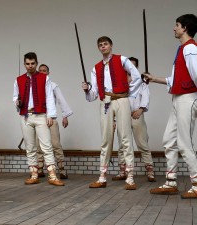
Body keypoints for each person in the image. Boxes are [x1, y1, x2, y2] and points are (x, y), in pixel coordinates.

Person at [145, 14, 197, 198]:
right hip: (178, 99)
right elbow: (176, 79)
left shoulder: (190, 48)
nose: (174, 28)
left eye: (177, 25)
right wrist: (154, 78)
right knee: (169, 140)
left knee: (185, 143)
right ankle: (171, 182)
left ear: (185, 28)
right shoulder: (183, 48)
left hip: (187, 99)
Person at [81, 36, 142, 190]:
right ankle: (102, 177)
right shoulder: (95, 68)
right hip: (106, 101)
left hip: (121, 99)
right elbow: (94, 93)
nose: (103, 47)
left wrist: (129, 92)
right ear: (98, 48)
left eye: (105, 44)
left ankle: (130, 177)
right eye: (100, 45)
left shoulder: (122, 59)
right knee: (106, 139)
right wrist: (88, 89)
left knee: (125, 137)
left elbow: (136, 76)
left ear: (111, 45)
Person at [13, 52, 64, 186]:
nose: (30, 66)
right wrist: (17, 102)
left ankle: (52, 175)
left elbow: (49, 96)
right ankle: (34, 174)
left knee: (46, 146)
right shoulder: (18, 79)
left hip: (41, 115)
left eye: (32, 63)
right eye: (27, 64)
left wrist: (50, 115)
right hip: (25, 116)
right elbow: (14, 96)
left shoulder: (44, 78)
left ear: (36, 63)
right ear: (24, 64)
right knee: (30, 147)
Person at [112, 57, 155, 182]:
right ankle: (122, 171)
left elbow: (146, 96)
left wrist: (141, 110)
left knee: (142, 143)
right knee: (122, 144)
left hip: (136, 114)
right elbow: (115, 101)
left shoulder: (142, 82)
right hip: (122, 115)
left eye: (134, 65)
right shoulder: (119, 82)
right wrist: (114, 119)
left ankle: (150, 171)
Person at [36, 64, 73, 179]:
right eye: (40, 71)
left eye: (45, 71)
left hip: (51, 119)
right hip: (38, 119)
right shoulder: (34, 85)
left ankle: (61, 170)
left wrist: (65, 116)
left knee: (56, 144)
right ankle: (40, 168)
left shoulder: (53, 86)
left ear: (48, 73)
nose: (42, 72)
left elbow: (61, 100)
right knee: (39, 145)